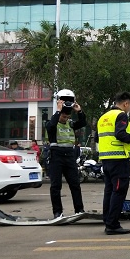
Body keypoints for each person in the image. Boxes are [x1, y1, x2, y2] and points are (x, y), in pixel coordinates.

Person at [97, 92, 130, 235]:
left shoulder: (103, 117)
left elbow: (97, 138)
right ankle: (112, 225)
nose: (129, 109)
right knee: (119, 191)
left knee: (109, 191)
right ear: (126, 103)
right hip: (119, 159)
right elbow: (120, 134)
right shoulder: (121, 115)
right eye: (129, 106)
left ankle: (108, 220)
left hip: (106, 159)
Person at [45, 89, 86, 218]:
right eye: (64, 116)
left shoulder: (70, 124)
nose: (66, 118)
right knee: (56, 186)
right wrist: (58, 110)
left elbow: (83, 123)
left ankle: (79, 210)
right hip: (56, 155)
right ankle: (57, 212)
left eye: (68, 117)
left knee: (75, 184)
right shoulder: (52, 124)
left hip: (69, 156)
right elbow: (51, 125)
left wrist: (79, 111)